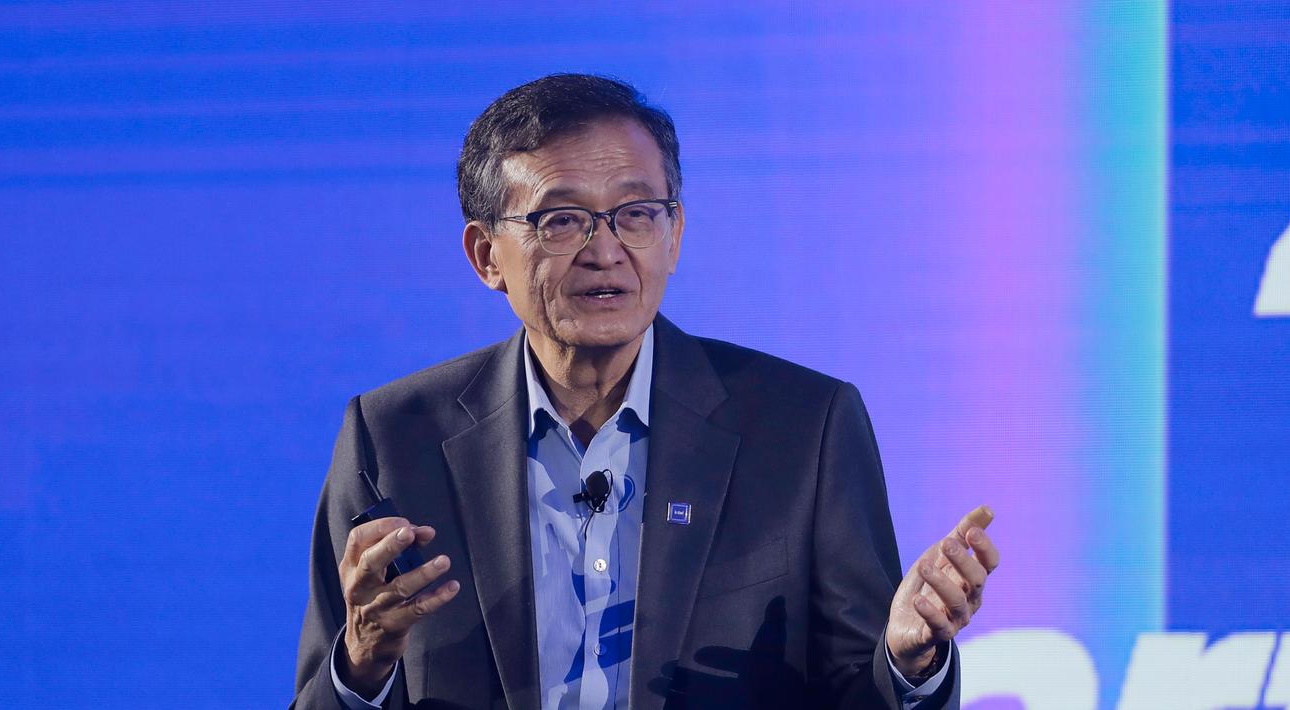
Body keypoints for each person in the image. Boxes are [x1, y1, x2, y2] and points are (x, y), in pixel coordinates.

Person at [291, 73, 999, 710]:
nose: (605, 251)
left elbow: (860, 691)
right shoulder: (392, 437)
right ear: (486, 256)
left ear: (675, 233)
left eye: (636, 213)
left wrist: (909, 661)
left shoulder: (804, 427)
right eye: (561, 220)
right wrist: (362, 664)